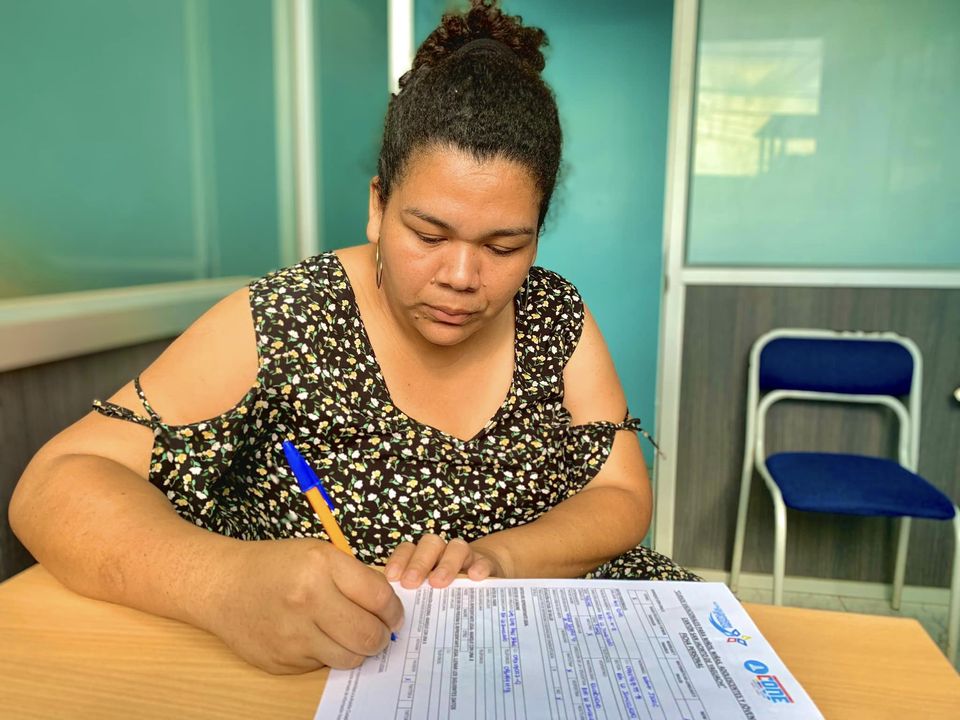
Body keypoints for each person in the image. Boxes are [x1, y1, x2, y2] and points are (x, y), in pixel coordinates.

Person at [9, 0, 697, 675]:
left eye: (503, 246)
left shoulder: (554, 314)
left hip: (541, 654)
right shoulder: (290, 318)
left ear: (537, 234)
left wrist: (502, 558)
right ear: (377, 205)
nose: (461, 277)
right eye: (428, 235)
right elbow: (54, 485)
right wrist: (222, 583)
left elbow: (621, 494)